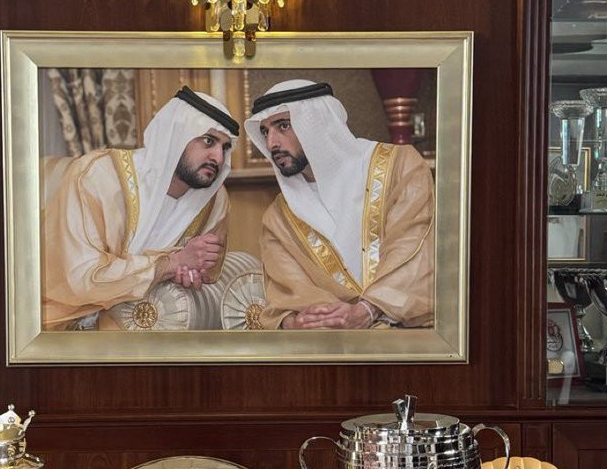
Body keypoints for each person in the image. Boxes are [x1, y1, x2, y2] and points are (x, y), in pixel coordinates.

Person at [42, 86, 239, 329]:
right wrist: (170, 264)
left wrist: (190, 273)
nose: (218, 158)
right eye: (208, 141)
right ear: (174, 136)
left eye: (225, 147)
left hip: (133, 323)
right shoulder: (97, 176)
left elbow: (206, 271)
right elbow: (83, 278)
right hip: (57, 319)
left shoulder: (215, 200)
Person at [244, 79, 434, 330]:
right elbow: (286, 298)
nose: (271, 144)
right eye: (265, 132)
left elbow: (413, 248)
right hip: (329, 344)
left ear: (318, 123)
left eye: (283, 126)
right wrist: (303, 322)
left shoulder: (400, 166)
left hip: (410, 337)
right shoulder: (278, 218)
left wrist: (368, 309)